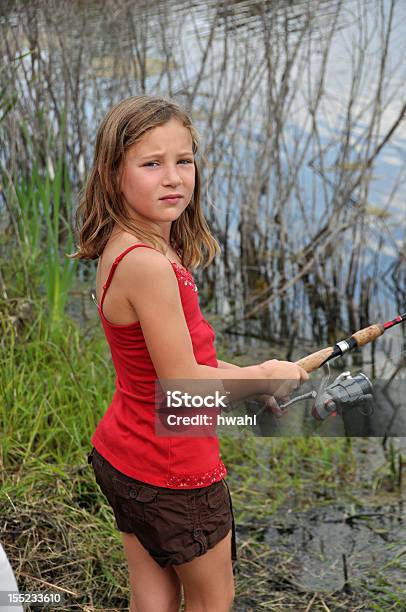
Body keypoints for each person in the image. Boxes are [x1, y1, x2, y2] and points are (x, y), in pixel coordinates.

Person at [69, 95, 309, 612]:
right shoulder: (149, 265)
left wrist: (250, 380)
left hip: (124, 455)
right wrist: (267, 374)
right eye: (152, 164)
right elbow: (182, 382)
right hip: (173, 470)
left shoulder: (126, 245)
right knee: (212, 601)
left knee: (153, 600)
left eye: (184, 160)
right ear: (112, 175)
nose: (174, 177)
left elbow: (182, 362)